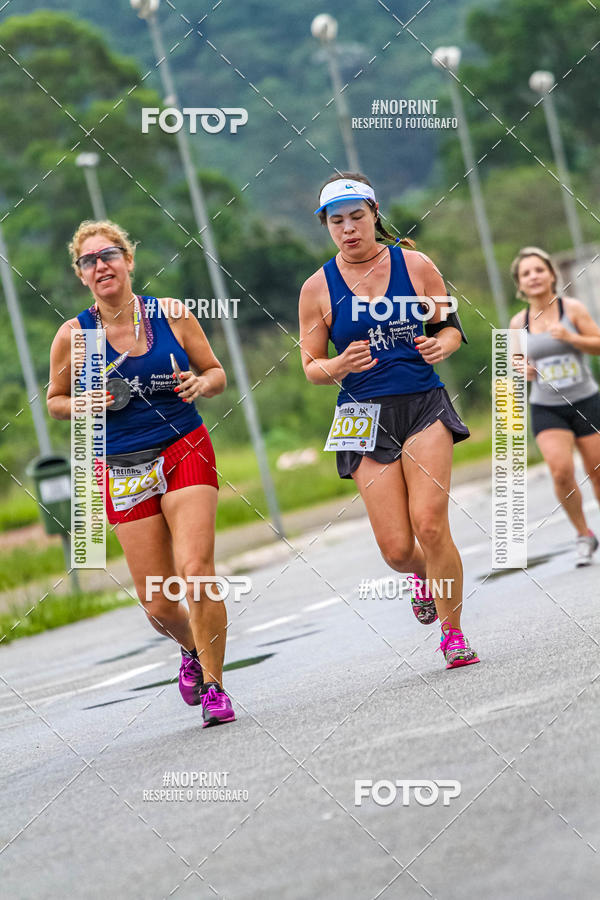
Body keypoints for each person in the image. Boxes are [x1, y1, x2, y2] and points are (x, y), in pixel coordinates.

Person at [47, 219, 235, 726]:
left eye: (109, 254)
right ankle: (194, 647)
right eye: (89, 260)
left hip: (183, 445)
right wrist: (84, 401)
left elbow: (216, 373)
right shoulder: (74, 336)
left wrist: (202, 383)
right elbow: (55, 402)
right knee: (157, 606)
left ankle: (216, 687)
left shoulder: (172, 315)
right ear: (81, 275)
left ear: (128, 261)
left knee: (196, 572)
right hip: (122, 463)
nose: (100, 265)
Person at [298, 173, 479, 669]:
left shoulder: (416, 265)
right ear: (326, 226)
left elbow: (448, 328)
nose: (349, 228)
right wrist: (339, 365)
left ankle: (452, 632)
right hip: (361, 414)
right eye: (337, 221)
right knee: (398, 549)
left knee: (431, 525)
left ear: (375, 213)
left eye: (357, 216)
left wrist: (441, 344)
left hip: (422, 402)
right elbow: (311, 366)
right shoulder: (317, 288)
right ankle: (420, 576)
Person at [510, 246, 600, 566]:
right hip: (547, 406)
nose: (533, 277)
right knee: (561, 471)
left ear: (551, 275)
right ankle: (583, 534)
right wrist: (525, 369)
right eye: (526, 273)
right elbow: (516, 361)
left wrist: (571, 338)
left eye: (538, 270)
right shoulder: (517, 321)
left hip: (586, 400)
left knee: (597, 470)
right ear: (520, 285)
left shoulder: (571, 309)